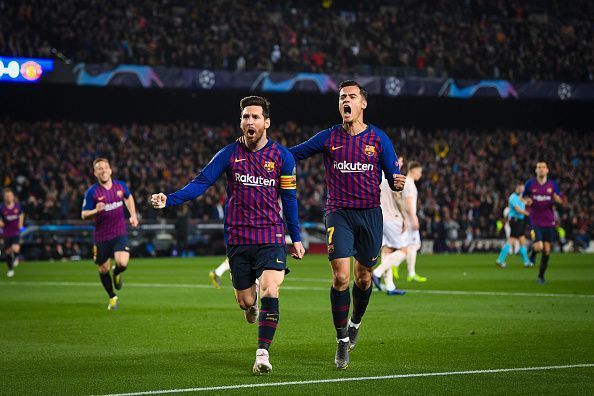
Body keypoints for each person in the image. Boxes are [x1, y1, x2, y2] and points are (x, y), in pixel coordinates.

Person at [151, 96, 305, 375]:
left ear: (266, 123)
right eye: (245, 117)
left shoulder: (283, 157)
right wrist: (169, 199)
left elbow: (290, 199)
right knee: (246, 302)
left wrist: (295, 237)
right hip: (238, 239)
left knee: (271, 287)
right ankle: (250, 302)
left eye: (255, 117)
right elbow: (201, 183)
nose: (250, 121)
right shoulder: (228, 154)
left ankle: (262, 354)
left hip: (271, 236)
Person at [289, 80, 406, 369]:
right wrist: (265, 152)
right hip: (339, 213)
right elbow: (293, 152)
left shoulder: (379, 139)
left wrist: (397, 180)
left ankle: (355, 322)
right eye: (342, 96)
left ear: (362, 104)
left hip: (370, 215)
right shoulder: (329, 137)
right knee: (341, 277)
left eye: (352, 96)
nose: (346, 100)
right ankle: (342, 340)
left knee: (363, 277)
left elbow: (393, 174)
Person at [81, 158, 139, 310]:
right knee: (103, 269)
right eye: (99, 168)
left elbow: (129, 197)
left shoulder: (120, 186)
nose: (103, 170)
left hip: (119, 232)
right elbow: (83, 214)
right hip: (101, 236)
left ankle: (117, 272)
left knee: (122, 263)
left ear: (110, 170)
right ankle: (112, 297)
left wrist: (133, 215)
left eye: (105, 167)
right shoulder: (92, 192)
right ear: (95, 173)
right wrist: (95, 210)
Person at [523, 161, 563, 284]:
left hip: (549, 221)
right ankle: (533, 252)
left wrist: (558, 200)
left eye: (543, 167)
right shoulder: (530, 184)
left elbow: (560, 200)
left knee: (546, 250)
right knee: (539, 246)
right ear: (536, 170)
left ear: (547, 170)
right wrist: (526, 201)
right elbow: (523, 197)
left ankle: (541, 276)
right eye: (539, 167)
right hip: (535, 220)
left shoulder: (552, 184)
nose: (541, 169)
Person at [371, 160, 407, 295]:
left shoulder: (376, 173)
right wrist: (405, 217)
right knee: (404, 251)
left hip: (380, 217)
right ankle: (377, 272)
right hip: (393, 217)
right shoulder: (394, 176)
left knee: (387, 250)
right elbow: (398, 198)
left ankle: (390, 286)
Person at [496, 182, 532, 268]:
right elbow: (517, 209)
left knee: (522, 240)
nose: (523, 190)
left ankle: (526, 262)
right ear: (517, 187)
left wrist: (529, 201)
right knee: (512, 239)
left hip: (520, 221)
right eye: (521, 188)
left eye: (523, 188)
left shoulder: (519, 197)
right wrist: (527, 213)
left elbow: (525, 202)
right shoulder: (513, 197)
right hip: (515, 221)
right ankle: (500, 260)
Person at [402, 161, 427, 282]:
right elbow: (408, 202)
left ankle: (408, 271)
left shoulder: (406, 182)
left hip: (405, 218)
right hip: (409, 218)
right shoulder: (409, 184)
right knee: (413, 245)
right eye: (420, 171)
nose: (420, 174)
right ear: (414, 170)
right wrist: (414, 218)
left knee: (409, 246)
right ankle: (394, 266)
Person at [0, 189, 24, 277]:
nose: (8, 197)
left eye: (10, 195)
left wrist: (20, 224)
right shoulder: (2, 207)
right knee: (7, 253)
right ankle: (10, 270)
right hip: (6, 233)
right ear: (4, 197)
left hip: (15, 232)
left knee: (15, 248)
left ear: (13, 196)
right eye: (7, 196)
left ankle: (16, 257)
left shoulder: (17, 206)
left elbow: (21, 214)